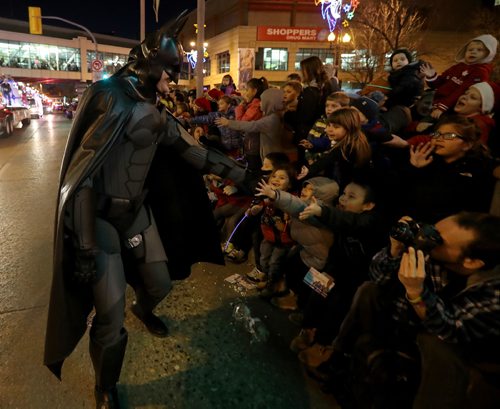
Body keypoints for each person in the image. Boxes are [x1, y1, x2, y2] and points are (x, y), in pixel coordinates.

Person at [43, 11, 249, 409]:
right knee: (110, 313)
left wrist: (242, 175)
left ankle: (144, 308)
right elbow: (83, 173)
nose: (174, 80)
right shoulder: (111, 97)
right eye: (170, 71)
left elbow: (192, 152)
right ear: (152, 64)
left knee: (159, 284)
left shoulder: (154, 106)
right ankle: (105, 386)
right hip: (100, 217)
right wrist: (84, 242)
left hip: (135, 213)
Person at [324, 212, 500, 409]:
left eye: (436, 239)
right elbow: (377, 277)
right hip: (411, 328)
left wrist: (416, 292)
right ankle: (339, 359)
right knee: (370, 291)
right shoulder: (431, 253)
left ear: (471, 262)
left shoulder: (493, 293)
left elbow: (450, 327)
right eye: (431, 229)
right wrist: (394, 251)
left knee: (437, 347)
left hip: (460, 357)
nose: (424, 238)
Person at [420, 34, 498, 120]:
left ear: (488, 54)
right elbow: (439, 84)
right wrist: (431, 76)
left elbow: (462, 91)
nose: (473, 52)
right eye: (470, 49)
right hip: (436, 103)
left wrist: (442, 107)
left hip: (451, 109)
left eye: (479, 50)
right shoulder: (458, 67)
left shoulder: (480, 72)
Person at [216, 87, 297, 165]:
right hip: (271, 156)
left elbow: (251, 126)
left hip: (272, 159)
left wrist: (229, 123)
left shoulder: (272, 119)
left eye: (262, 101)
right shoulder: (273, 116)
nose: (260, 103)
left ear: (270, 102)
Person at [298, 107, 372, 190]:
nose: (328, 130)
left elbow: (329, 157)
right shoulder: (341, 140)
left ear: (350, 127)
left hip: (350, 186)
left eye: (336, 127)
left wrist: (310, 169)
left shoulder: (348, 146)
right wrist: (312, 146)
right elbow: (326, 146)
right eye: (328, 125)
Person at [300, 92, 351, 165]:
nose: (329, 109)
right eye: (327, 106)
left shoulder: (344, 126)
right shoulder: (319, 122)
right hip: (311, 161)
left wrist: (319, 162)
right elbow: (309, 140)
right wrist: (309, 159)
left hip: (327, 163)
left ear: (344, 108)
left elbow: (331, 147)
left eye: (334, 106)